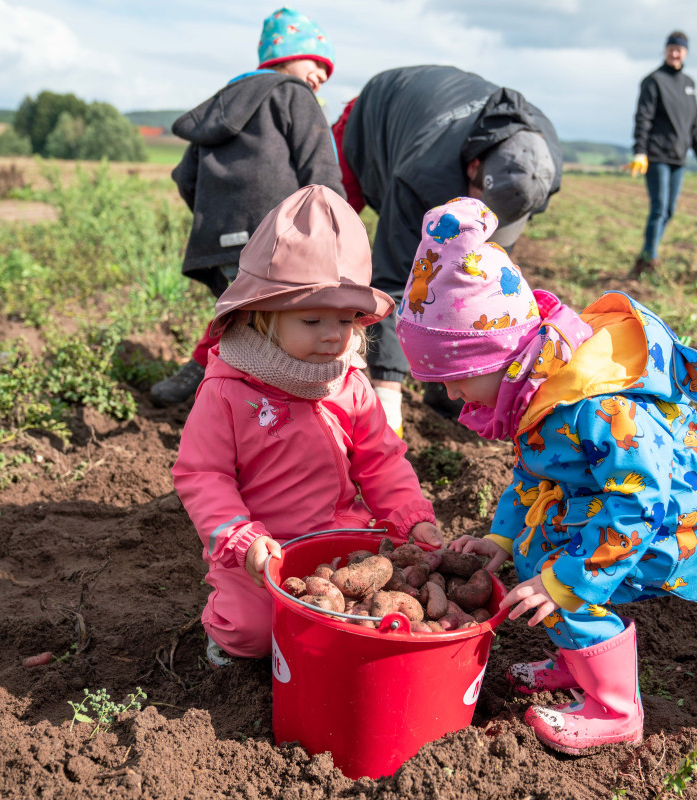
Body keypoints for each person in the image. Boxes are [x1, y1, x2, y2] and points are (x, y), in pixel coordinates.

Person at [396, 197, 697, 754]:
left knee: (557, 578)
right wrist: (502, 537)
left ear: (500, 357)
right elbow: (534, 474)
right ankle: (574, 662)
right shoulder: (539, 393)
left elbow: (639, 503)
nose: (452, 396)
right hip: (616, 506)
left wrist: (570, 581)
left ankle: (615, 710)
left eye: (456, 380)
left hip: (671, 523)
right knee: (533, 552)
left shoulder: (594, 406)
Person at [171, 185, 441, 664]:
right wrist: (241, 539)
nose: (334, 335)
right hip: (261, 550)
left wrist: (409, 517)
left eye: (344, 319)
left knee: (367, 618)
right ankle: (223, 621)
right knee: (251, 634)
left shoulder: (350, 384)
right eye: (313, 320)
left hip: (338, 536)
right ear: (261, 317)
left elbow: (382, 460)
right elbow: (202, 475)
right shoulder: (228, 390)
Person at [332, 65, 562, 434]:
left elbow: (477, 286)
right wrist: (387, 392)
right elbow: (395, 279)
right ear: (473, 168)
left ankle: (445, 386)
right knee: (331, 236)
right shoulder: (422, 174)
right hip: (374, 120)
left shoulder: (541, 159)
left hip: (437, 136)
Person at [151, 7, 346, 407]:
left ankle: (209, 389)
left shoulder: (221, 107)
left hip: (221, 242)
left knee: (243, 319)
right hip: (279, 240)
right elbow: (320, 169)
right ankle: (267, 412)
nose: (323, 77)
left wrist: (217, 218)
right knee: (280, 330)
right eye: (317, 63)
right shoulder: (295, 95)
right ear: (285, 58)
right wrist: (338, 230)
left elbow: (185, 177)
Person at [628, 31, 697, 279]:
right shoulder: (653, 81)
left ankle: (646, 255)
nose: (675, 53)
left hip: (679, 158)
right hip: (656, 155)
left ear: (686, 52)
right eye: (671, 49)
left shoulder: (689, 83)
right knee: (659, 208)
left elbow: (693, 124)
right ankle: (649, 257)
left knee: (669, 211)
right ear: (666, 50)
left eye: (679, 49)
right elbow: (643, 118)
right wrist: (639, 151)